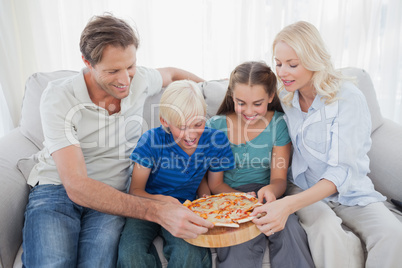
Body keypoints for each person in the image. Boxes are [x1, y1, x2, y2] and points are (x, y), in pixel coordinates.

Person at [22, 14, 214, 267]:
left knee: (97, 263)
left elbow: (174, 73)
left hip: (112, 197)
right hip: (56, 189)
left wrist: (217, 97)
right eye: (113, 70)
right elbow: (76, 185)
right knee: (52, 262)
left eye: (130, 66)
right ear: (87, 63)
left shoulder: (141, 79)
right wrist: (156, 211)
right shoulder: (58, 97)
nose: (125, 80)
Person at [252, 21, 402, 268]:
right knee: (326, 230)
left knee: (393, 234)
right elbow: (246, 94)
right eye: (278, 63)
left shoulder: (347, 97)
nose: (282, 72)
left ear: (313, 60)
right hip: (303, 188)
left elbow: (343, 171)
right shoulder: (286, 96)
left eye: (292, 64)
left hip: (349, 190)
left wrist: (285, 206)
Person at [206, 61, 314, 268]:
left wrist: (271, 191)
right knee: (237, 244)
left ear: (271, 97)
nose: (248, 111)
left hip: (269, 196)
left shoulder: (279, 124)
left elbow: (279, 179)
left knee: (289, 228)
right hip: (230, 198)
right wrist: (242, 201)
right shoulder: (216, 127)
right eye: (241, 103)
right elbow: (216, 184)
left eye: (257, 104)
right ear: (231, 97)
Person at [117, 80, 235, 268]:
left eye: (198, 124)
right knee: (131, 255)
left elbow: (214, 186)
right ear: (165, 122)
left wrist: (236, 198)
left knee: (188, 253)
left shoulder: (215, 141)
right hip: (145, 206)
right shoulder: (151, 141)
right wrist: (164, 201)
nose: (191, 135)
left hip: (184, 208)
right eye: (181, 127)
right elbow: (136, 191)